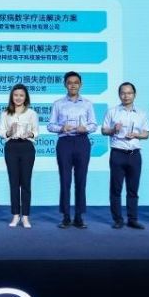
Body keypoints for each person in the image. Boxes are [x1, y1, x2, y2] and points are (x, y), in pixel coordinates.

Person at [47, 71, 97, 229]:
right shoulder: (58, 104)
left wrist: (85, 128)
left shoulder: (87, 104)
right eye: (69, 82)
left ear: (81, 84)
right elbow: (50, 125)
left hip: (82, 142)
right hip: (65, 142)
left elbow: (94, 125)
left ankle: (79, 216)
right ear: (65, 85)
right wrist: (62, 127)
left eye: (76, 82)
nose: (73, 85)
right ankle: (66, 216)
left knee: (81, 180)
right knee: (65, 180)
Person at [101, 82, 149, 229]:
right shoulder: (112, 112)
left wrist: (136, 135)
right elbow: (103, 130)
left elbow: (146, 134)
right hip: (118, 153)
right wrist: (113, 130)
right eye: (123, 93)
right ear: (119, 95)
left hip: (135, 155)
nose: (126, 96)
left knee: (133, 189)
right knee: (116, 189)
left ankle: (132, 219)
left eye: (129, 93)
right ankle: (118, 220)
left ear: (134, 95)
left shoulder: (141, 113)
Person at [0, 84, 39, 229]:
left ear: (25, 97)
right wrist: (9, 132)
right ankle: (15, 215)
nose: (18, 98)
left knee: (26, 183)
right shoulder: (5, 113)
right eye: (16, 95)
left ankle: (25, 217)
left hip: (27, 147)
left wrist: (30, 134)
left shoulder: (32, 113)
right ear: (12, 97)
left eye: (21, 95)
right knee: (14, 182)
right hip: (11, 147)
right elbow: (1, 132)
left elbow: (36, 132)